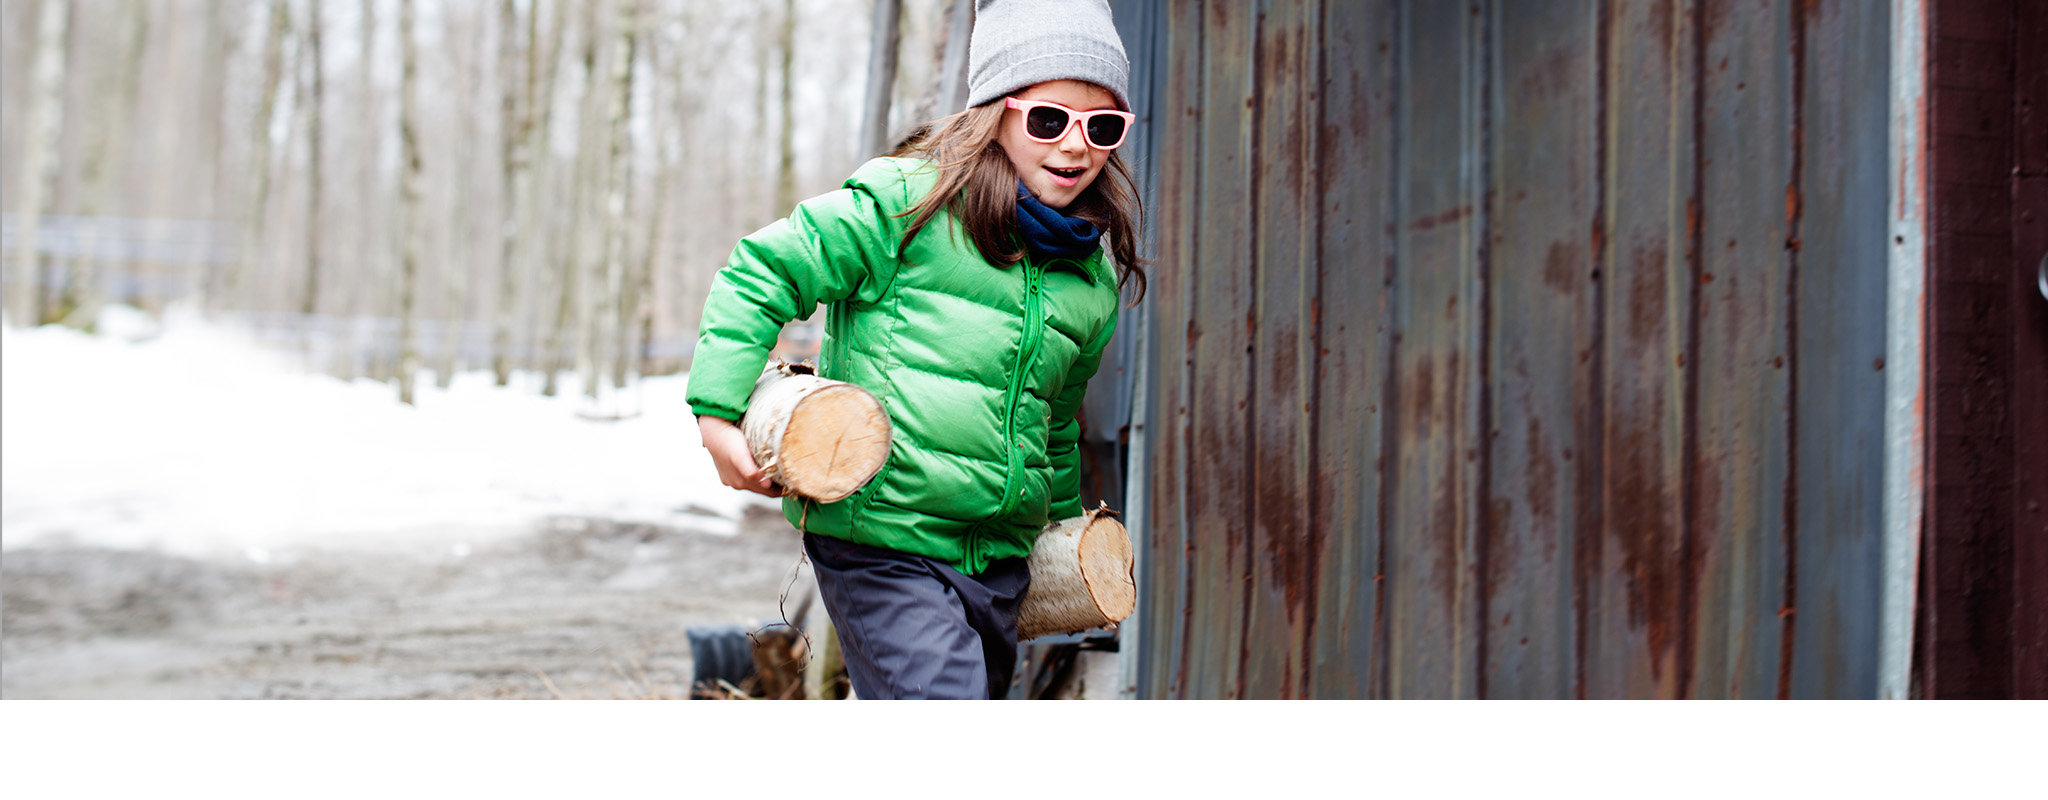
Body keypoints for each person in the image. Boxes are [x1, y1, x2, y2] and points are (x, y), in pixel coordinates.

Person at [685, 0, 1144, 700]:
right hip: (883, 541)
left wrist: (1057, 528)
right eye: (1050, 120)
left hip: (996, 563)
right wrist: (717, 415)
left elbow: (1052, 418)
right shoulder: (907, 206)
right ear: (994, 113)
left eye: (1102, 126)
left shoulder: (1089, 279)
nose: (1077, 146)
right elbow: (762, 271)